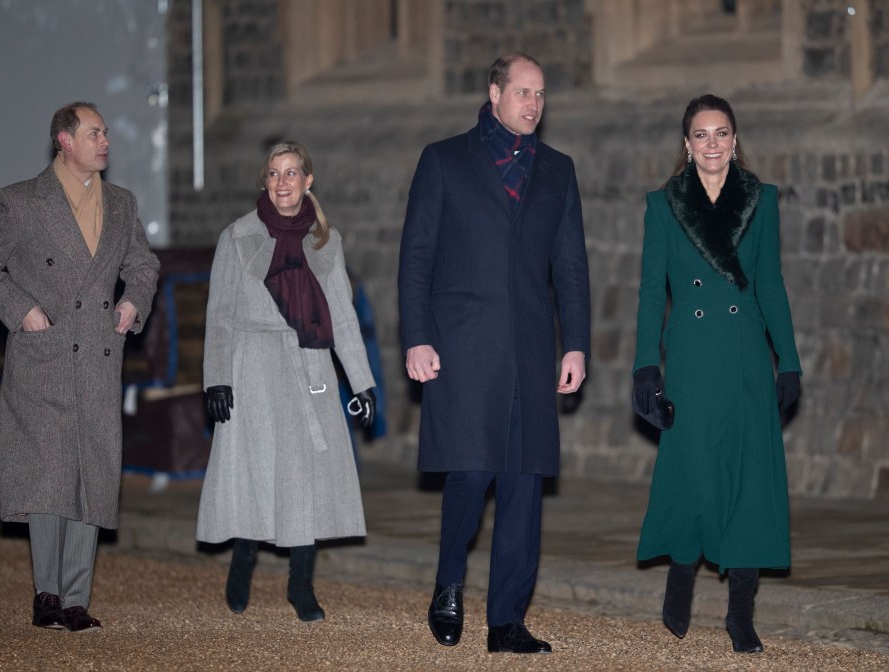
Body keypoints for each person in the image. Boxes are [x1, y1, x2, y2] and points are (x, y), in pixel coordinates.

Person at [398, 53, 591, 654]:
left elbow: (572, 268)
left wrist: (577, 345)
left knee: (524, 482)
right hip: (462, 346)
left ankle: (507, 619)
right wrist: (417, 336)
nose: (533, 103)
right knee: (470, 471)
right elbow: (417, 259)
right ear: (495, 92)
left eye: (540, 93)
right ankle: (449, 584)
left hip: (533, 351)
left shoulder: (558, 171)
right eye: (523, 91)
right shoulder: (445, 159)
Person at [0, 102, 160, 632]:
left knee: (91, 472)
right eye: (95, 133)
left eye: (106, 133)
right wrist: (21, 309)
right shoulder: (21, 201)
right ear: (65, 141)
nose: (106, 141)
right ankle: (46, 594)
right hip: (43, 355)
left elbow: (144, 265)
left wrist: (132, 304)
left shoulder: (121, 204)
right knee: (47, 473)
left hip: (97, 354)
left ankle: (76, 598)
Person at [632, 94, 802, 654]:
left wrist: (790, 361)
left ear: (735, 139)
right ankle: (682, 572)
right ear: (686, 144)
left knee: (751, 480)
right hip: (691, 359)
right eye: (701, 135)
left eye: (721, 133)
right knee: (694, 475)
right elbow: (652, 291)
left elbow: (770, 284)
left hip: (745, 354)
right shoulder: (663, 206)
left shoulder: (762, 199)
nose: (712, 144)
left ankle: (740, 614)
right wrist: (645, 367)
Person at [197, 140, 376, 622]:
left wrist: (362, 383)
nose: (283, 183)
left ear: (307, 180)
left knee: (304, 477)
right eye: (275, 173)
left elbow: (342, 314)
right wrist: (216, 379)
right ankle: (243, 559)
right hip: (251, 365)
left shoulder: (326, 241)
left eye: (292, 173)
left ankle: (301, 586)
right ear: (265, 181)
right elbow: (220, 316)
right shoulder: (236, 237)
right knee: (253, 469)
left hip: (310, 366)